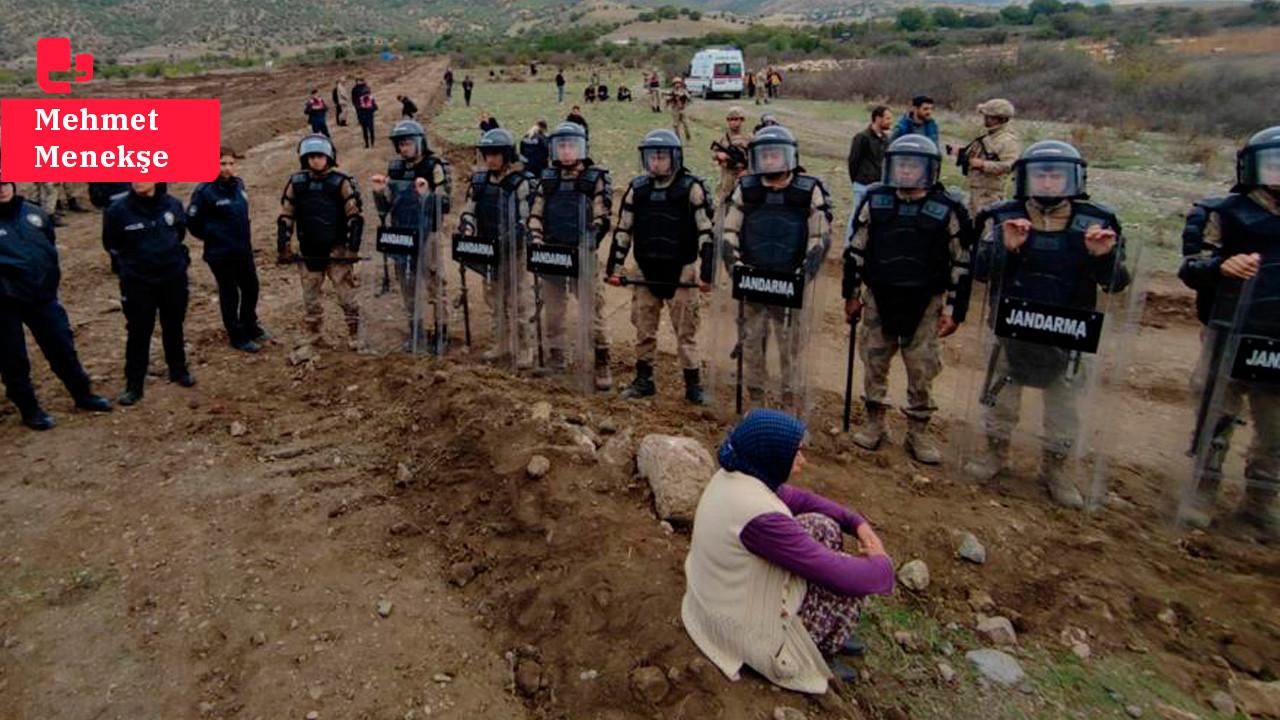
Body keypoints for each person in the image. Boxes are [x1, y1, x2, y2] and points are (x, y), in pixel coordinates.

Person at [965, 140, 1129, 509]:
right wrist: (1004, 248)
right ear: (1027, 178)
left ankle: (1057, 469)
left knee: (1065, 407)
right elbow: (980, 272)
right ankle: (995, 454)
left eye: (1056, 175)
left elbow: (1118, 282)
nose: (1049, 182)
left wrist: (1101, 259)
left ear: (1074, 178)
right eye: (1041, 175)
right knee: (1001, 399)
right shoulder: (1002, 215)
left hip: (1068, 334)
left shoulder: (1097, 222)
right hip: (1012, 327)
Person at [682, 409, 894, 691]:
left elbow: (801, 499)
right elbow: (840, 575)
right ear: (773, 457)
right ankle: (815, 648)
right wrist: (882, 564)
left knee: (824, 527)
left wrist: (856, 523)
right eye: (795, 454)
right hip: (732, 626)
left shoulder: (740, 474)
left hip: (717, 595)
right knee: (844, 580)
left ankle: (823, 633)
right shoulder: (759, 517)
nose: (803, 461)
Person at [842, 135, 972, 464]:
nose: (907, 171)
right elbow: (855, 249)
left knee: (922, 367)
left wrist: (956, 309)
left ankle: (918, 431)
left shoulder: (949, 208)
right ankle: (875, 422)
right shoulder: (876, 200)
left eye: (914, 165)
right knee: (873, 360)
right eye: (901, 164)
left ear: (930, 169)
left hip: (926, 301)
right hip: (878, 296)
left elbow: (962, 261)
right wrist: (851, 294)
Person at [1178, 126, 1280, 536]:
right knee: (1214, 410)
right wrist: (1220, 268)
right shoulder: (1221, 213)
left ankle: (1261, 501)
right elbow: (1190, 266)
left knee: (1275, 428)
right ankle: (1203, 487)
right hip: (1228, 331)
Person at [719, 126, 834, 403]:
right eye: (765, 156)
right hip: (752, 280)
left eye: (775, 156)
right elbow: (729, 232)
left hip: (790, 282)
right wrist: (736, 267)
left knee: (791, 348)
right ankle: (756, 403)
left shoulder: (809, 190)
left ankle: (789, 406)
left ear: (789, 156)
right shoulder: (746, 189)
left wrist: (804, 273)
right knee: (752, 346)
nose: (770, 161)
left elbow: (819, 236)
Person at [606, 129, 715, 404]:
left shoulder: (692, 188)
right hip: (645, 269)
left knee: (686, 333)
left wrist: (707, 273)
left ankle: (693, 386)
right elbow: (623, 230)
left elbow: (706, 233)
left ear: (674, 157)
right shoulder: (637, 189)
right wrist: (614, 268)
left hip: (682, 271)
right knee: (644, 329)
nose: (656, 162)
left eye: (662, 157)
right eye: (651, 157)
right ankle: (644, 381)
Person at [0, 170, 112, 429]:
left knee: (61, 345)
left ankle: (82, 394)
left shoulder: (34, 213)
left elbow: (47, 244)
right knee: (13, 357)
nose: (2, 189)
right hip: (5, 303)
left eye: (5, 182)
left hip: (42, 296)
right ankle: (29, 408)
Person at [527, 122, 614, 390]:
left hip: (583, 255)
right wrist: (536, 241)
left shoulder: (594, 178)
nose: (566, 150)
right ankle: (556, 359)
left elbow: (601, 217)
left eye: (571, 145)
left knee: (593, 312)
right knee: (553, 312)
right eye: (561, 145)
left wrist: (589, 242)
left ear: (581, 147)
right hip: (552, 255)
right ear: (555, 148)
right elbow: (536, 215)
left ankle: (601, 362)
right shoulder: (548, 179)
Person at [103, 181, 194, 406]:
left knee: (173, 324)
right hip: (138, 282)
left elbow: (179, 233)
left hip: (172, 276)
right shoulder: (117, 211)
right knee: (139, 331)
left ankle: (178, 369)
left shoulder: (173, 204)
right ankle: (134, 384)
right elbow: (111, 243)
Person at [458, 128, 537, 367]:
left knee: (518, 301)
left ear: (506, 154)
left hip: (514, 251)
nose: (490, 159)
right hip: (488, 250)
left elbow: (527, 218)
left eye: (495, 154)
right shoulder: (479, 182)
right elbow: (468, 211)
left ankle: (525, 348)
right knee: (494, 300)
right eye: (487, 154)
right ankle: (501, 343)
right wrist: (467, 228)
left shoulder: (521, 182)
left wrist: (513, 237)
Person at [371, 120, 453, 351]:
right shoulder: (395, 168)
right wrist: (379, 193)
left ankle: (441, 334)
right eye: (401, 144)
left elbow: (446, 202)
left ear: (419, 143)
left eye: (408, 143)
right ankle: (415, 332)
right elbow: (387, 205)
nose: (404, 148)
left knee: (435, 284)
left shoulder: (434, 165)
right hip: (402, 234)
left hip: (428, 233)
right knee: (408, 286)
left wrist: (428, 193)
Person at [277, 135, 364, 349]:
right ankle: (315, 335)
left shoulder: (341, 182)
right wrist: (284, 246)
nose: (316, 160)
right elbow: (286, 215)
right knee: (311, 299)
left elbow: (354, 216)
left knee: (346, 296)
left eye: (320, 156)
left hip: (336, 250)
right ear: (304, 159)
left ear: (329, 157)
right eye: (311, 157)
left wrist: (353, 248)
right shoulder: (296, 183)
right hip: (308, 250)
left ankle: (355, 333)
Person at [186, 147, 267, 353]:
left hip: (242, 249)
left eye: (231, 163)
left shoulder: (239, 185)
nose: (227, 168)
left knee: (251, 287)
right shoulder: (204, 191)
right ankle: (236, 335)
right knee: (230, 293)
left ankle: (250, 324)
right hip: (220, 254)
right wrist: (213, 236)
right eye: (223, 164)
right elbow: (193, 222)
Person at [959, 98, 1020, 217]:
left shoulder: (1008, 140)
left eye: (989, 116)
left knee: (986, 230)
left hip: (990, 194)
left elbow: (1010, 165)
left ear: (1000, 119)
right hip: (976, 190)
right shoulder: (989, 136)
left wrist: (983, 165)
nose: (985, 119)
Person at [844, 105, 893, 240]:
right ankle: (849, 246)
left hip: (879, 186)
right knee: (856, 217)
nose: (890, 122)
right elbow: (853, 161)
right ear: (877, 118)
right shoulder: (862, 137)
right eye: (887, 118)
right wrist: (856, 180)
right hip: (863, 185)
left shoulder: (886, 140)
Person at [710, 106, 750, 220]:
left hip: (744, 175)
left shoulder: (749, 138)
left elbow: (756, 158)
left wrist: (747, 171)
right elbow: (714, 153)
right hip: (727, 175)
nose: (734, 122)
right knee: (723, 202)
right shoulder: (723, 139)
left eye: (737, 119)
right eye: (731, 119)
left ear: (742, 120)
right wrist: (719, 155)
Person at [352, 78, 378, 149]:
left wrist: (370, 108)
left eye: (368, 93)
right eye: (365, 93)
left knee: (371, 130)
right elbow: (357, 107)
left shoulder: (371, 99)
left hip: (369, 116)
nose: (367, 95)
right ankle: (367, 144)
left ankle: (372, 143)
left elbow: (376, 107)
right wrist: (362, 108)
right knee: (364, 131)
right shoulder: (359, 101)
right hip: (363, 116)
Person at [667, 78, 692, 142]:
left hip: (682, 109)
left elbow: (689, 99)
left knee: (685, 124)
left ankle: (688, 138)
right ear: (674, 84)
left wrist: (684, 98)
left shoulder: (683, 91)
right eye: (676, 83)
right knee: (676, 125)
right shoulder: (672, 91)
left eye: (678, 83)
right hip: (675, 110)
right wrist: (671, 98)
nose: (677, 85)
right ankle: (677, 139)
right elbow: (667, 101)